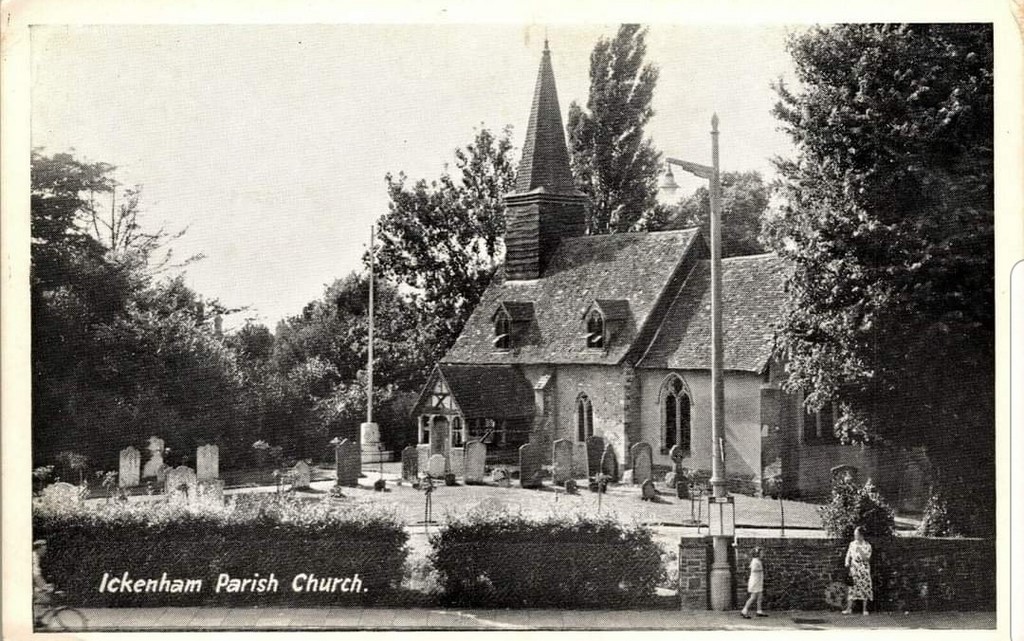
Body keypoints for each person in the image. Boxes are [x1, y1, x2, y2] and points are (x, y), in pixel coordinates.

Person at [843, 526, 873, 615]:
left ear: (861, 535)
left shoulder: (867, 546)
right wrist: (847, 562)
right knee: (852, 588)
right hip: (854, 568)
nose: (855, 536)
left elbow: (867, 558)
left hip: (863, 569)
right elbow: (848, 554)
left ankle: (865, 609)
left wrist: (860, 550)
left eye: (856, 534)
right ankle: (849, 609)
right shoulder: (852, 544)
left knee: (864, 588)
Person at [740, 547, 767, 619]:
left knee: (760, 596)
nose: (763, 554)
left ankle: (759, 611)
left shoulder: (758, 561)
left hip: (758, 581)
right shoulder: (755, 561)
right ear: (757, 554)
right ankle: (744, 611)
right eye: (761, 553)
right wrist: (761, 569)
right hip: (755, 582)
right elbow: (754, 569)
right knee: (753, 597)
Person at [33, 540, 54, 624]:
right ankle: (36, 620)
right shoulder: (33, 557)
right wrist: (45, 586)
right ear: (38, 549)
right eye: (43, 549)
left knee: (41, 597)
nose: (45, 551)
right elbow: (35, 575)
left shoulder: (36, 557)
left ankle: (36, 619)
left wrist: (44, 585)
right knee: (44, 598)